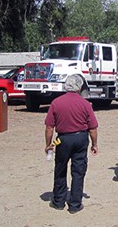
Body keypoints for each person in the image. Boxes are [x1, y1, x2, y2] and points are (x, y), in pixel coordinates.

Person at [45, 75, 98, 214]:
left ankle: (58, 201)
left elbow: (49, 127)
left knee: (60, 169)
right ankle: (75, 203)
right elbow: (93, 128)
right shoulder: (85, 104)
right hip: (81, 138)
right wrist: (94, 144)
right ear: (80, 87)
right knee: (78, 171)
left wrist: (48, 144)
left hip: (62, 139)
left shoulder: (56, 103)